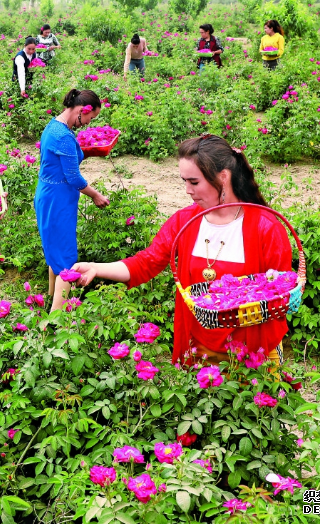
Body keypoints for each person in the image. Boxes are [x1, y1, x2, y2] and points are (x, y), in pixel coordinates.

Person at [71, 134, 292, 366]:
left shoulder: (265, 227)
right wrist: (96, 268)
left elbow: (279, 293)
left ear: (223, 177)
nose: (187, 190)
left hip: (252, 351)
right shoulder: (183, 222)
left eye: (194, 182)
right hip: (198, 349)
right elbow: (146, 262)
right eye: (184, 181)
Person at [35, 89, 110, 313]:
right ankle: (55, 323)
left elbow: (64, 161)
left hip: (48, 195)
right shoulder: (64, 137)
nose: (88, 123)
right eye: (90, 118)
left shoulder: (54, 126)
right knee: (67, 261)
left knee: (55, 252)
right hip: (58, 201)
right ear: (82, 110)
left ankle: (50, 299)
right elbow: (74, 177)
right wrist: (96, 195)